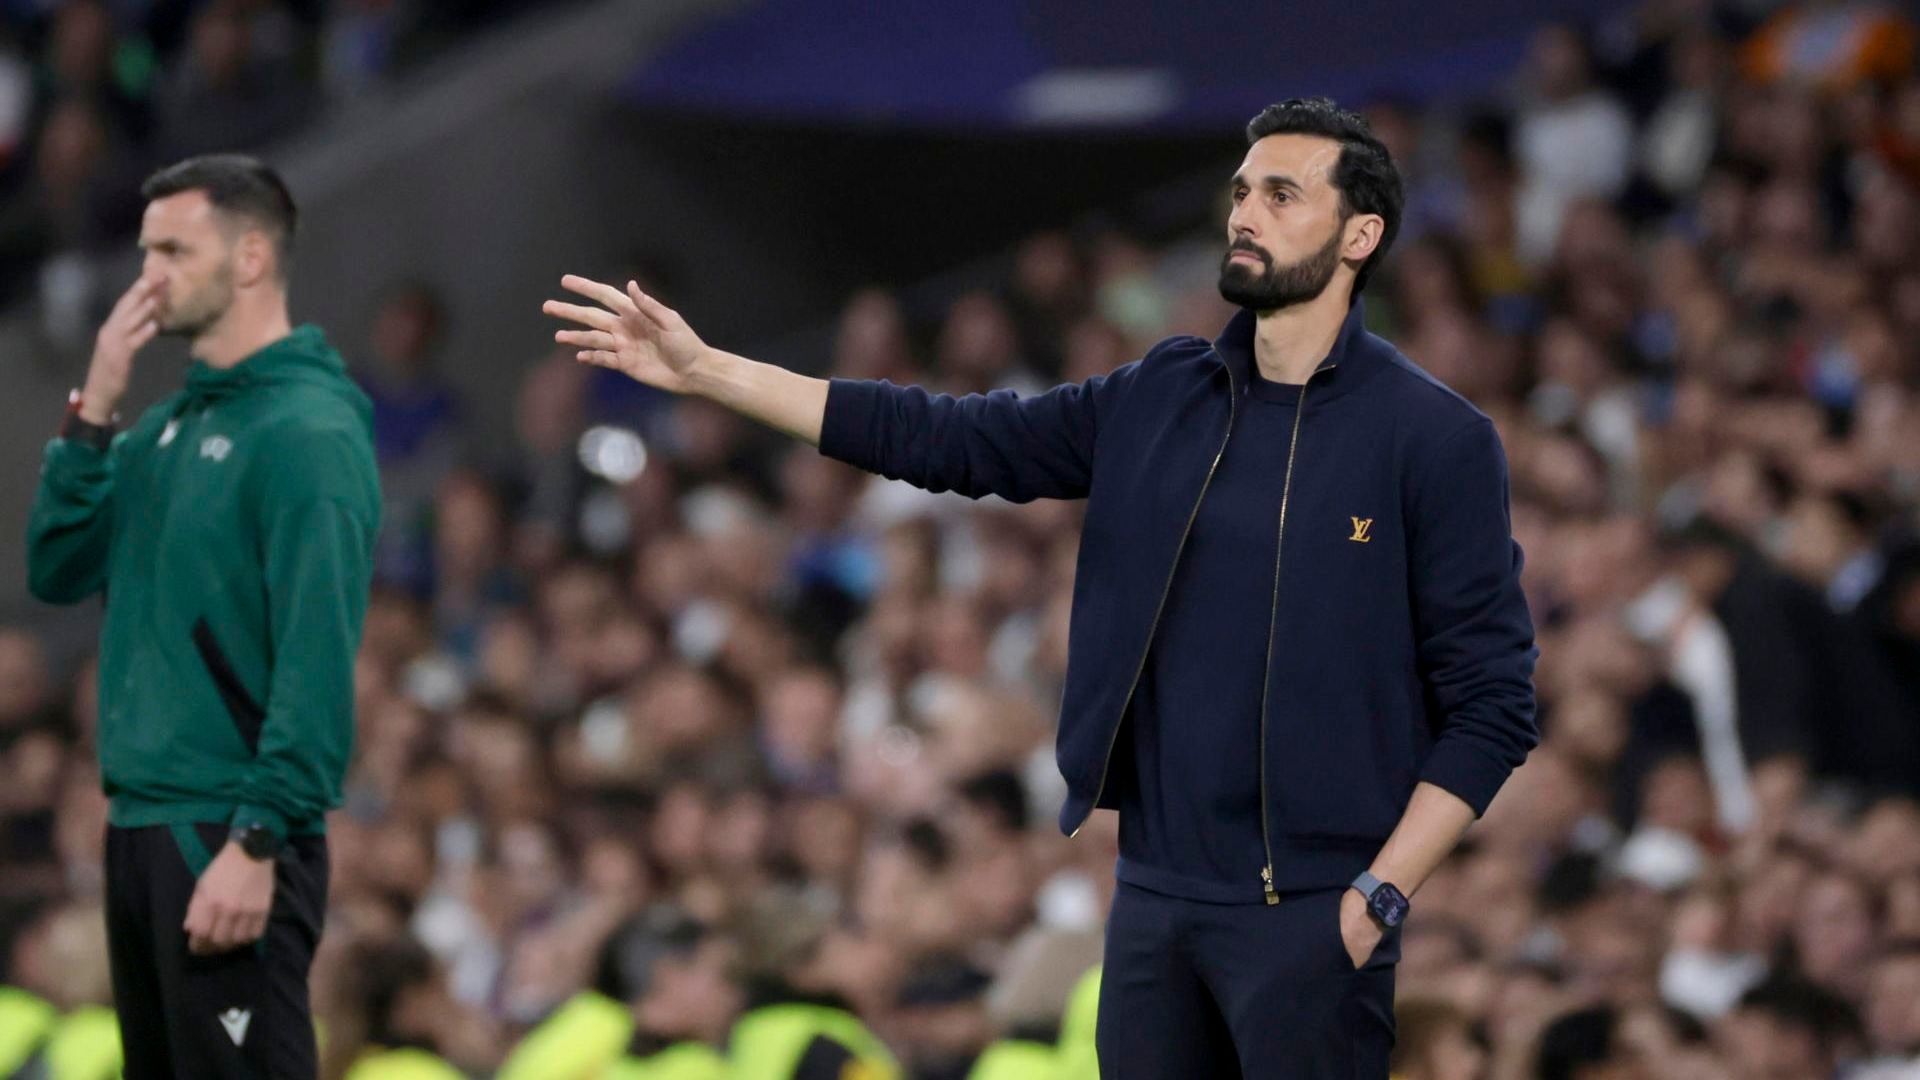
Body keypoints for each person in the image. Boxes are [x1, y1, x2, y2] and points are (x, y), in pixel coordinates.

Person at [544, 96, 1538, 1077]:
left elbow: (1494, 704)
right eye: (1241, 191)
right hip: (1153, 901)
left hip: (1313, 913)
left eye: (1282, 195)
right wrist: (710, 373)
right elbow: (944, 438)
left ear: (1361, 234)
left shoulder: (1434, 441)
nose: (1245, 213)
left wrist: (1377, 899)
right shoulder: (1162, 395)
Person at [25, 153, 382, 1079]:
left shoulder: (307, 430)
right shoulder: (165, 429)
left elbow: (316, 654)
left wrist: (259, 838)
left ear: (251, 257)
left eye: (174, 251)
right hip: (141, 825)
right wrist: (97, 404)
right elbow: (56, 569)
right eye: (146, 251)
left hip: (228, 829)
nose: (147, 277)